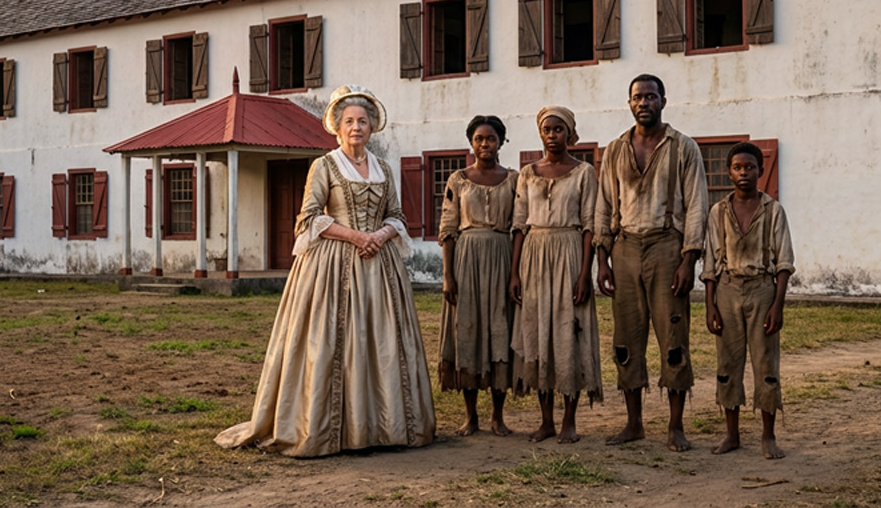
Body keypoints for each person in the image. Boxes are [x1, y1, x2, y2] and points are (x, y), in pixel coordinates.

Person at [215, 85, 436, 457]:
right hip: (334, 265)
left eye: (363, 121)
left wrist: (379, 236)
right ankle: (329, 427)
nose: (356, 128)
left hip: (379, 267)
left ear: (372, 127)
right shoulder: (325, 165)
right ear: (336, 126)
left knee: (381, 341)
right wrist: (355, 236)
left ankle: (383, 425)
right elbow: (310, 216)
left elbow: (396, 214)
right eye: (349, 121)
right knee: (332, 339)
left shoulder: (382, 167)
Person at [594, 73, 708, 450]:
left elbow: (696, 207)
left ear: (663, 100)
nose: (644, 103)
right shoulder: (614, 150)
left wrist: (688, 259)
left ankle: (675, 426)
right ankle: (634, 423)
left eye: (651, 96)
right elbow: (604, 206)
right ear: (629, 103)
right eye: (637, 97)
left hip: (667, 246)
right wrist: (603, 259)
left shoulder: (683, 147)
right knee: (626, 339)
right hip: (624, 247)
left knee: (673, 339)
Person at [509, 106, 603, 444]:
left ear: (569, 133)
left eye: (559, 129)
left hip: (569, 251)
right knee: (538, 335)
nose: (552, 135)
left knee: (569, 335)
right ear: (540, 133)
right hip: (534, 255)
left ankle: (569, 422)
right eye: (547, 129)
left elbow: (591, 224)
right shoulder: (527, 174)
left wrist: (584, 274)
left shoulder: (584, 173)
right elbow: (518, 225)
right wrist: (515, 273)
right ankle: (546, 420)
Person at [702, 142, 794, 459]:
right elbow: (711, 264)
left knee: (765, 364)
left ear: (761, 170)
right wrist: (710, 305)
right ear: (729, 172)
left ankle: (768, 437)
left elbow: (784, 263)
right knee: (728, 363)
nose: (744, 173)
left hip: (762, 289)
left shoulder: (773, 211)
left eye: (750, 167)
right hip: (728, 290)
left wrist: (777, 305)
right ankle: (732, 434)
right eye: (738, 167)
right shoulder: (718, 212)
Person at [437, 115, 516, 436]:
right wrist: (448, 275)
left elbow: (520, 223)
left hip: (501, 256)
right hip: (465, 261)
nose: (485, 144)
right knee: (466, 332)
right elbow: (448, 229)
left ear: (501, 142)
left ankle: (498, 416)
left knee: (501, 329)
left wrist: (516, 273)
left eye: (491, 138)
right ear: (471, 142)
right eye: (479, 139)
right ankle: (471, 417)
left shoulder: (514, 179)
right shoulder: (458, 180)